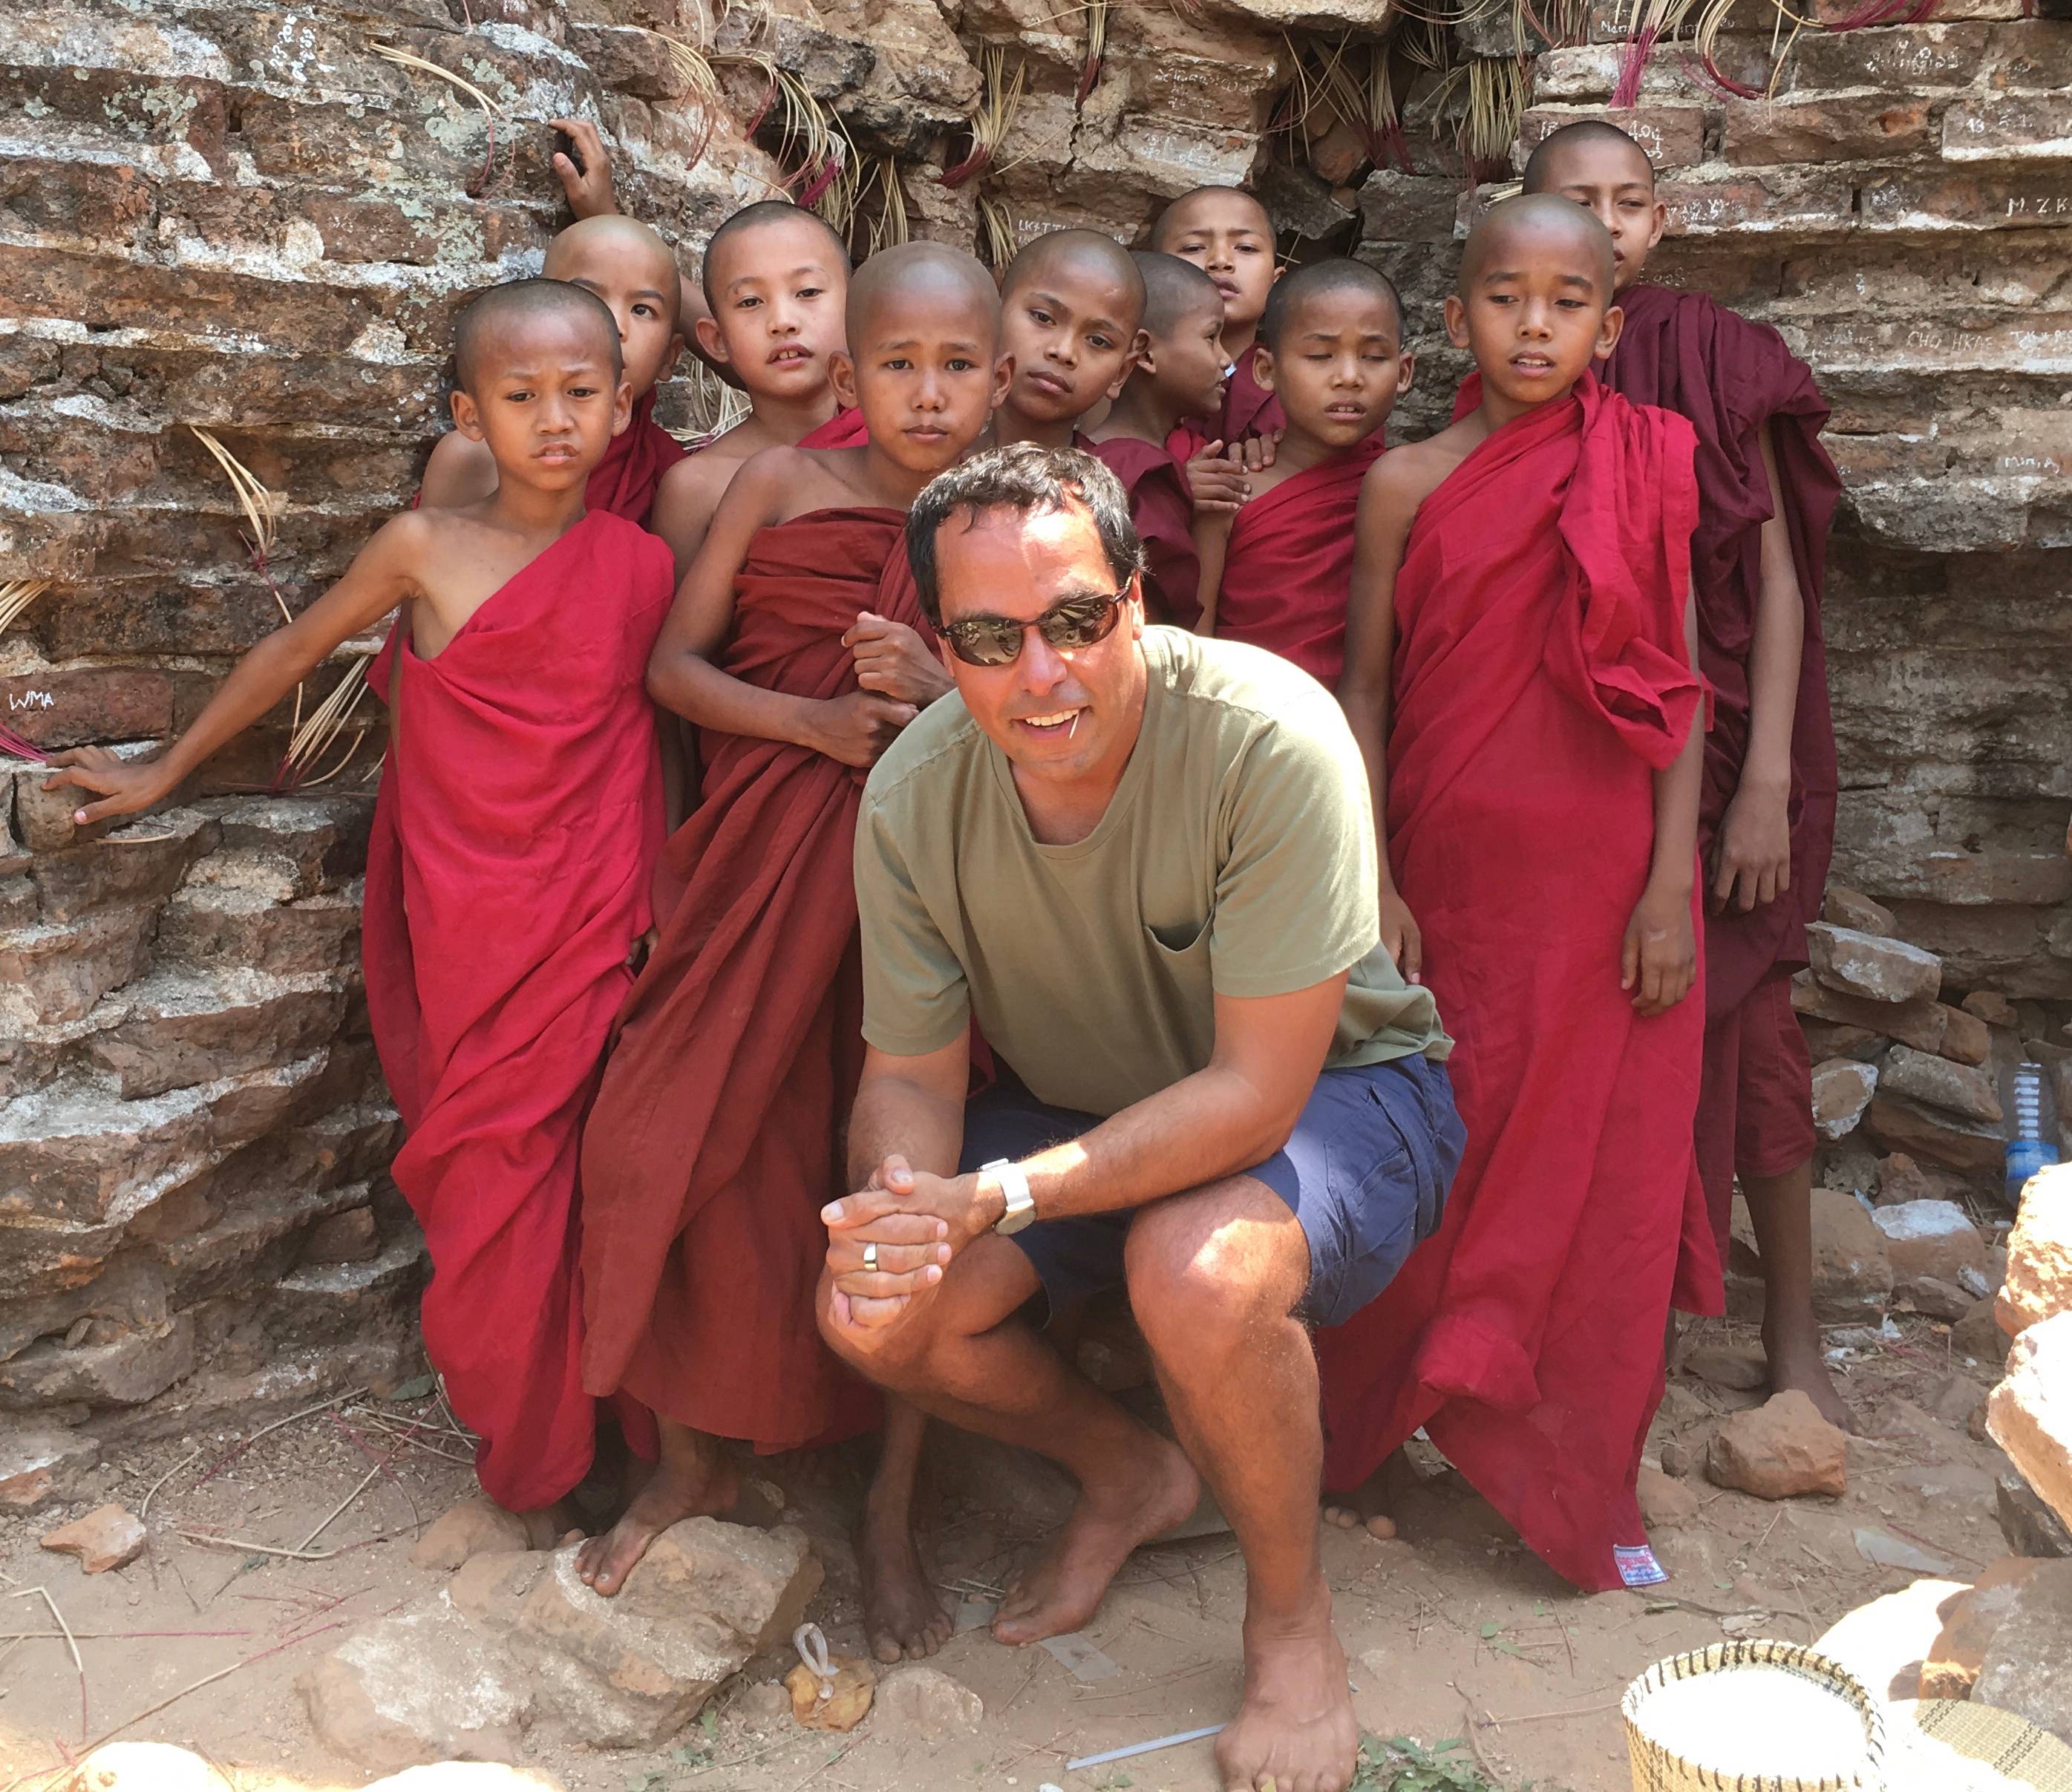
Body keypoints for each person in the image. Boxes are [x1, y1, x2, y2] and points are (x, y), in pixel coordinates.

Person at [816, 443, 1460, 1792]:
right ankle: (1127, 1469)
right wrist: (902, 1203)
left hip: (1340, 1095)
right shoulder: (914, 791)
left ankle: (1292, 1623)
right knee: (875, 1310)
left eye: (1073, 620)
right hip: (1075, 1105)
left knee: (1198, 1264)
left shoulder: (1267, 735)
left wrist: (1001, 1195)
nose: (1038, 674)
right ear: (946, 640)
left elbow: (1252, 1092)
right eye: (990, 638)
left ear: (1137, 596)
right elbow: (917, 1074)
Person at [46, 282, 676, 1530]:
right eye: (519, 395)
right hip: (470, 912)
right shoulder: (422, 546)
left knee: (587, 1177)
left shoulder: (644, 563)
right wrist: (169, 763)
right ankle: (530, 1451)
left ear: (621, 409)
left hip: (594, 914)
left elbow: (647, 739)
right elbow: (295, 652)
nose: (553, 418)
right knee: (490, 1175)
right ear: (467, 413)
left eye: (581, 392)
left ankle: (606, 1430)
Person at [572, 246, 1010, 1626]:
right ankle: (692, 1461)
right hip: (758, 864)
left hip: (930, 892)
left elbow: (1087, 724)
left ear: (999, 381)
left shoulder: (1010, 522)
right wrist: (813, 721)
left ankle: (892, 1509)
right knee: (678, 1133)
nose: (926, 394)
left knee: (892, 1182)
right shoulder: (779, 484)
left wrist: (946, 689)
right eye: (898, 364)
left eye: (954, 367)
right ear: (847, 370)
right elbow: (674, 670)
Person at [1319, 197, 1718, 1592]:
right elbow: (1360, 690)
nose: (1534, 325)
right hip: (1449, 875)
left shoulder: (1647, 460)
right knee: (1443, 1140)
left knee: (1592, 1177)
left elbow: (1679, 684)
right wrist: (1371, 876)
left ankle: (1560, 1472)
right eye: (1505, 297)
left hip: (1608, 879)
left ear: (1611, 324)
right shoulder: (1409, 482)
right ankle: (1377, 1421)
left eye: (1566, 302)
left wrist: (1670, 885)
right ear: (1456, 317)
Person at [1524, 118, 1847, 1427]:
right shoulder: (1529, 354)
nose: (1605, 226)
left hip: (1725, 748)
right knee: (1611, 1027)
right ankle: (1618, 1314)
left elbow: (1770, 578)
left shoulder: (1718, 357)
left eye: (1630, 203)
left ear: (1662, 221)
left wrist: (1764, 770)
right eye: (1574, 202)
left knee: (1756, 1026)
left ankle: (1792, 1325)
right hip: (1594, 756)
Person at [1200, 260, 1409, 686]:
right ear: (1266, 370)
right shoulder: (1230, 490)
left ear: (1404, 372)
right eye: (1319, 356)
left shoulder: (1415, 494)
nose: (1349, 377)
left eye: (1372, 357)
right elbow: (1196, 656)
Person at [419, 213, 687, 525]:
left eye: (642, 309)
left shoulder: (670, 474)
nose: (613, 325)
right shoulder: (472, 457)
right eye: (587, 297)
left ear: (670, 356)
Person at [648, 201, 869, 579]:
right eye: (750, 301)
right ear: (716, 341)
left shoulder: (898, 442)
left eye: (808, 292)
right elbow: (683, 631)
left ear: (857, 310)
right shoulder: (695, 487)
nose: (782, 321)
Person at [1082, 252, 1227, 627]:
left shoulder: (1094, 452)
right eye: (1211, 337)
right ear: (1145, 354)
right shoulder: (1141, 474)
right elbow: (1165, 626)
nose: (1225, 358)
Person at [1149, 186, 1285, 448]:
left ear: (1275, 282)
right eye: (1194, 247)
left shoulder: (1293, 389)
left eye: (1245, 247)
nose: (1220, 261)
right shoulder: (1124, 380)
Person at [990, 229, 1147, 451]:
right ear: (995, 313)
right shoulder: (933, 466)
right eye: (1043, 318)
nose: (1063, 352)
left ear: (1122, 372)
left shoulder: (1122, 482)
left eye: (1098, 341)